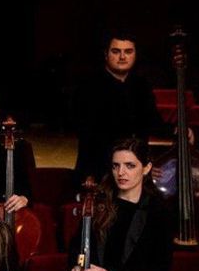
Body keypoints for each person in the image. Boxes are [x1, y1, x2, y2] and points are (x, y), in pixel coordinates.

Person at [68, 138, 173, 271]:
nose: (121, 173)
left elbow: (160, 265)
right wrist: (78, 266)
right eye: (116, 166)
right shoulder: (98, 204)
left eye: (130, 165)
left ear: (147, 168)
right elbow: (79, 248)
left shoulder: (158, 210)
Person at [72, 32, 174, 186]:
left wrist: (177, 130)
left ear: (135, 55)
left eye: (128, 51)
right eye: (116, 51)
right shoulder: (89, 87)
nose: (122, 57)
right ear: (106, 54)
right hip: (100, 171)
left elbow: (153, 122)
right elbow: (89, 138)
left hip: (135, 169)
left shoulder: (141, 85)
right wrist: (92, 174)